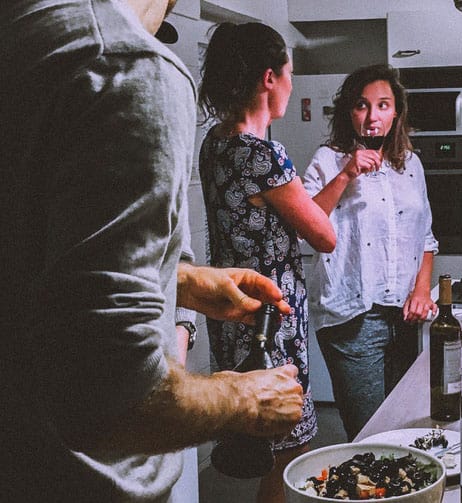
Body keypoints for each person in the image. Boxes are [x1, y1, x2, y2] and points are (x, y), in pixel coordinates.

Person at [0, 1, 306, 501]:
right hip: (81, 480)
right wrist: (243, 398)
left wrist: (183, 280)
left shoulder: (22, 34)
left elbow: (34, 251)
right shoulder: (125, 67)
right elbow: (114, 395)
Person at [197, 21, 336, 502]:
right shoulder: (265, 157)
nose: (292, 83)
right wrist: (346, 178)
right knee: (287, 453)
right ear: (269, 78)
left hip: (231, 312)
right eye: (289, 73)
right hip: (270, 320)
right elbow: (325, 235)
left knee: (262, 447)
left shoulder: (215, 144)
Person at [303, 64, 439, 440]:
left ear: (396, 112)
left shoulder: (410, 164)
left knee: (406, 430)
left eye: (382, 105)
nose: (372, 116)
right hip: (352, 317)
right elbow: (308, 225)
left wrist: (422, 290)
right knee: (370, 435)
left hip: (405, 319)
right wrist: (346, 174)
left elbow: (425, 235)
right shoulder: (328, 159)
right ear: (350, 112)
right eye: (362, 106)